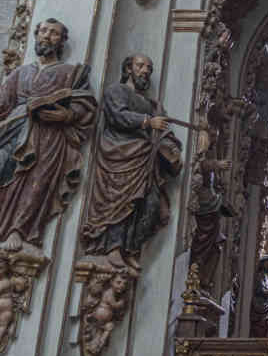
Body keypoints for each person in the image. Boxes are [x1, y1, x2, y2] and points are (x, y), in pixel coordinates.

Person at [0, 19, 96, 252]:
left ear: (61, 41)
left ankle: (18, 229)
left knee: (36, 180)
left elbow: (86, 104)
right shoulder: (20, 72)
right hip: (14, 128)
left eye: (54, 33)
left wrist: (67, 115)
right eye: (43, 31)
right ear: (36, 35)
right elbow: (3, 103)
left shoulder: (69, 72)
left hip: (48, 135)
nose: (46, 36)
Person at [82, 53, 182, 269]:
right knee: (121, 202)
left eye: (149, 68)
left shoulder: (153, 105)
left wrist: (173, 148)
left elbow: (165, 131)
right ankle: (113, 248)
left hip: (146, 162)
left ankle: (132, 248)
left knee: (152, 205)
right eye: (140, 66)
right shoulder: (116, 91)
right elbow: (117, 116)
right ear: (128, 69)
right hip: (119, 155)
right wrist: (147, 122)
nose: (145, 70)